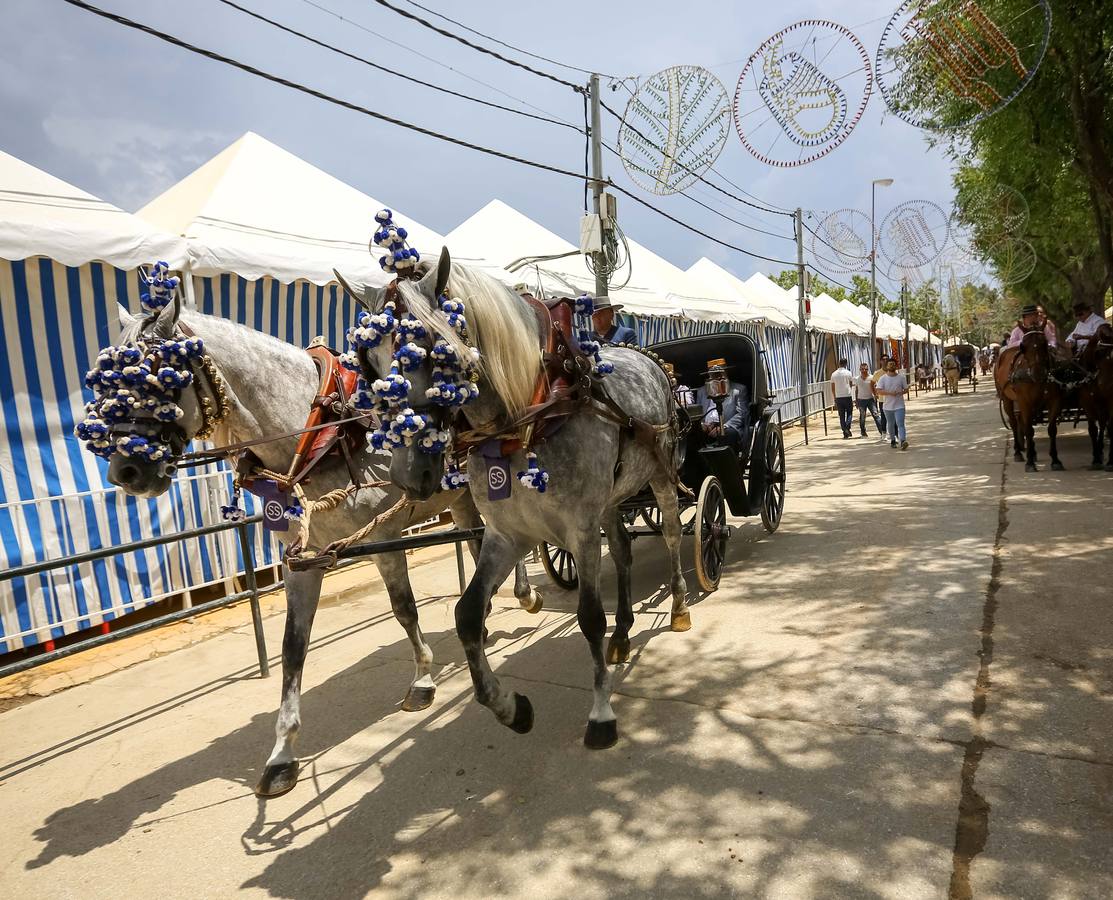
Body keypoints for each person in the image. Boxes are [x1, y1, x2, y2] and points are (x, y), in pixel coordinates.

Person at [697, 359, 750, 451]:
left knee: (727, 434)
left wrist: (724, 426)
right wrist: (702, 425)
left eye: (720, 373)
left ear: (726, 372)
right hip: (707, 428)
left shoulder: (739, 390)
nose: (717, 377)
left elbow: (742, 414)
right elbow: (698, 413)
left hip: (728, 426)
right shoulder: (701, 391)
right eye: (714, 374)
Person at [876, 358, 910, 450]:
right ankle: (893, 440)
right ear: (887, 366)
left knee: (900, 423)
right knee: (890, 424)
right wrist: (890, 393)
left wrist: (901, 392)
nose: (891, 366)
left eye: (893, 364)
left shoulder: (901, 378)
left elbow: (906, 389)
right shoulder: (883, 378)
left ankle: (903, 440)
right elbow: (879, 390)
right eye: (890, 364)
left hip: (899, 405)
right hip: (888, 406)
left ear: (896, 366)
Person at [854, 361, 884, 438]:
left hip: (870, 399)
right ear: (860, 370)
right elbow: (856, 390)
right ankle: (863, 432)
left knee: (876, 415)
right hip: (861, 400)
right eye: (862, 369)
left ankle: (882, 432)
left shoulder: (871, 377)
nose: (864, 371)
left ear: (868, 370)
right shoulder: (857, 379)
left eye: (866, 369)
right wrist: (856, 401)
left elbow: (875, 387)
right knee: (862, 417)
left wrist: (876, 395)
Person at [831, 358, 855, 438]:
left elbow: (833, 387)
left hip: (838, 397)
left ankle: (844, 430)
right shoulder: (848, 373)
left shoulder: (834, 374)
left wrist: (834, 397)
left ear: (839, 363)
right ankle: (847, 428)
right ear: (846, 364)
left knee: (841, 415)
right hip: (847, 395)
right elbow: (851, 383)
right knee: (849, 413)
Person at [871, 354, 891, 436]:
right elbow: (872, 383)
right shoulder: (877, 373)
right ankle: (884, 433)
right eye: (883, 359)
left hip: (892, 399)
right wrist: (874, 393)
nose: (885, 361)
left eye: (887, 359)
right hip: (882, 399)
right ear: (880, 361)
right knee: (883, 417)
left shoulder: (893, 372)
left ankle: (894, 434)